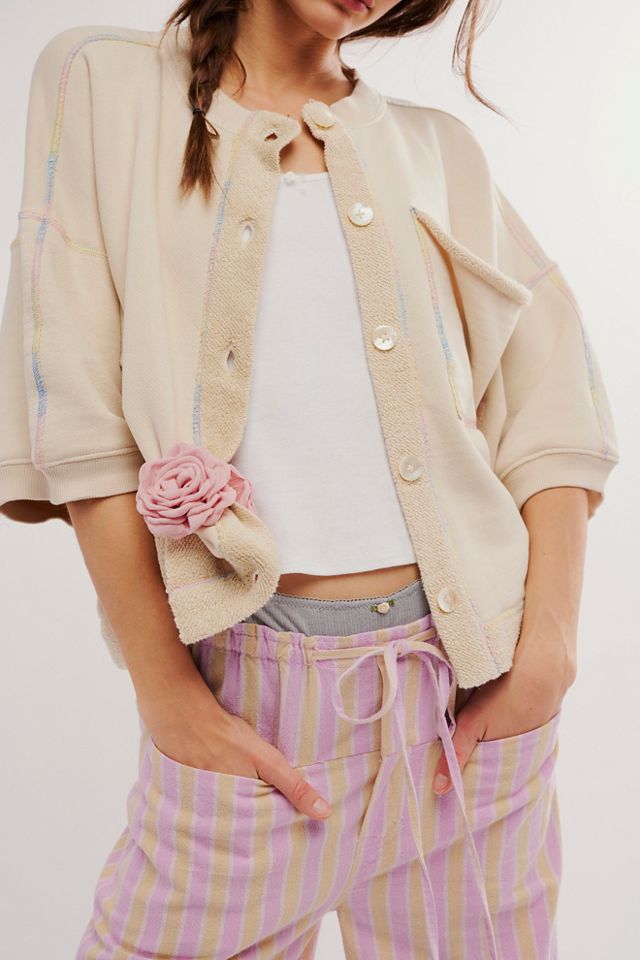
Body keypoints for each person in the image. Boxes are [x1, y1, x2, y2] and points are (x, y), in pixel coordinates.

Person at [0, 0, 620, 957]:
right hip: (246, 707)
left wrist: (550, 652)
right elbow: (75, 406)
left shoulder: (435, 148)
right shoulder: (101, 81)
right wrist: (171, 698)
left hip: (469, 708)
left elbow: (554, 399)